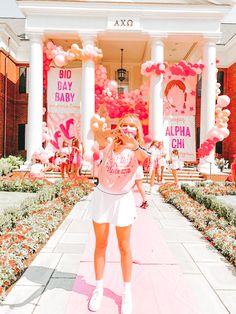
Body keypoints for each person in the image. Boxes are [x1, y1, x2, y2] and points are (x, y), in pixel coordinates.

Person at [87, 113, 148, 314]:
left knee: (124, 247)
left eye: (132, 125)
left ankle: (126, 291)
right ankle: (98, 288)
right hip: (103, 197)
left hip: (123, 199)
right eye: (125, 125)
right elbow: (100, 138)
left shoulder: (138, 149)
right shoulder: (110, 142)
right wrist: (111, 132)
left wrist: (133, 143)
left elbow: (143, 158)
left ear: (138, 130)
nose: (128, 128)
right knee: (101, 244)